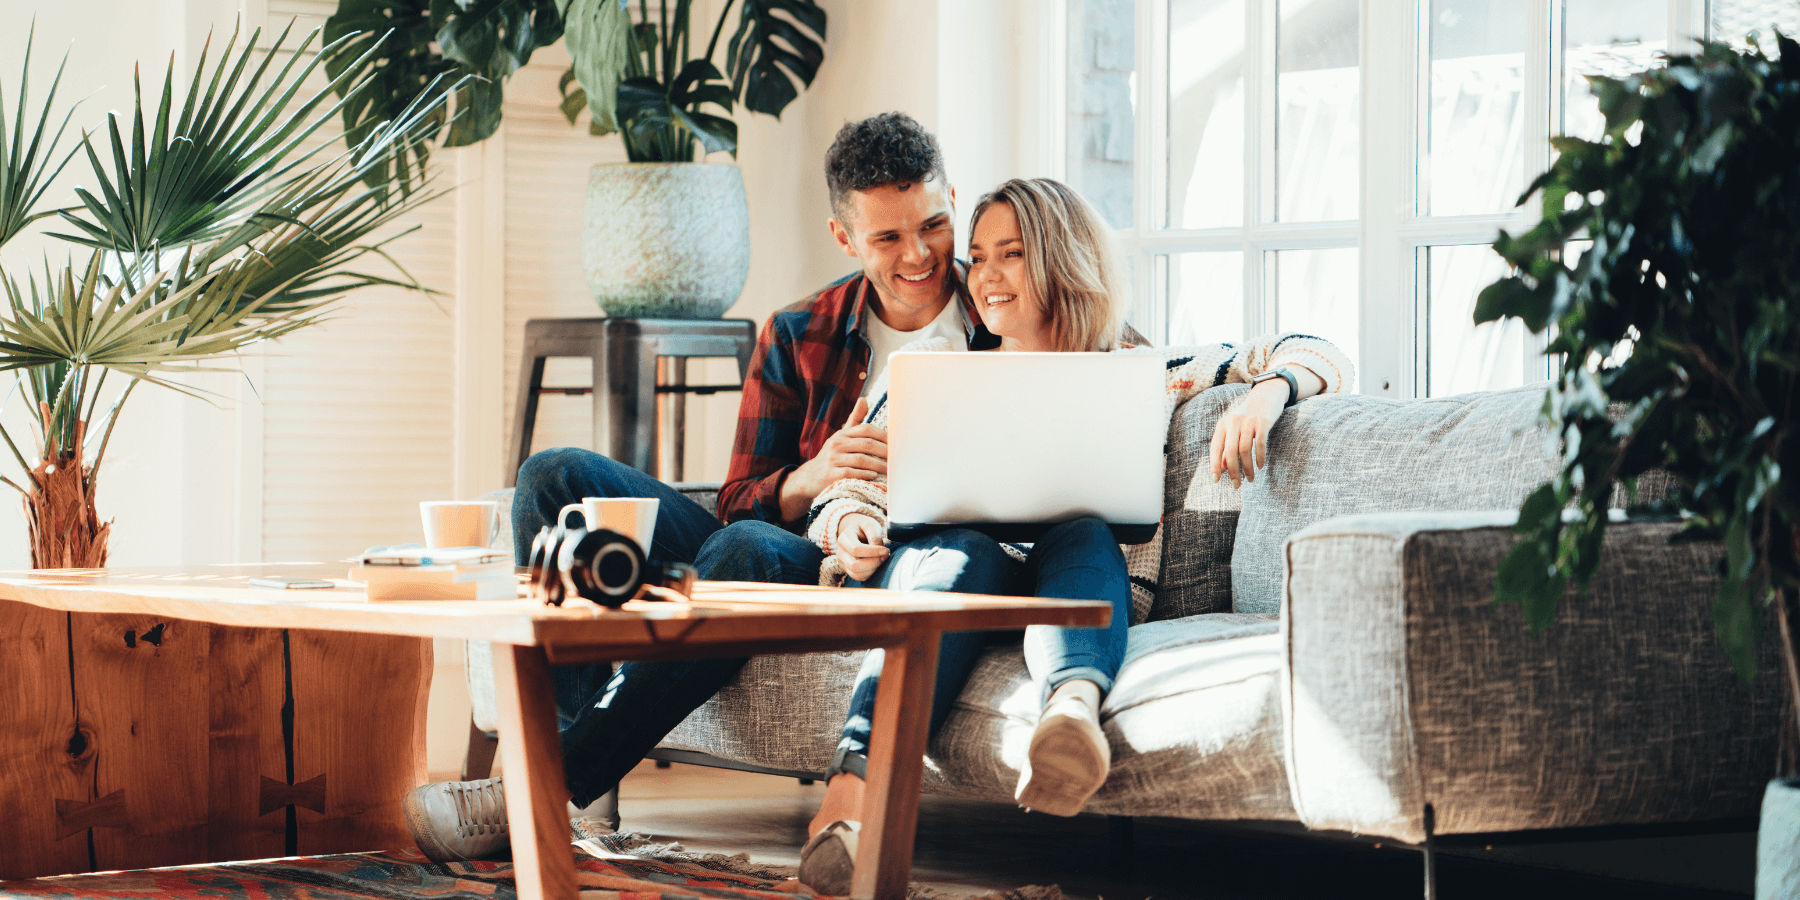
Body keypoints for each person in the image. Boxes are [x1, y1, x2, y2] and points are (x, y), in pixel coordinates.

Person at [400, 112, 1024, 864]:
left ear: (952, 201)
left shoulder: (1006, 308)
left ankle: (550, 785)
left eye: (932, 225)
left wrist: (1211, 383)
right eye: (887, 239)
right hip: (787, 537)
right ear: (845, 238)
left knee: (744, 545)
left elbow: (1121, 346)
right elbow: (737, 495)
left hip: (878, 563)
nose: (919, 254)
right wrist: (814, 474)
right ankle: (582, 778)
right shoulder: (798, 331)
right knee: (554, 478)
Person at [791, 178, 1354, 893]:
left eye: (1011, 254)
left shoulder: (1143, 373)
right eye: (979, 257)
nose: (986, 277)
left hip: (1076, 583)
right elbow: (847, 486)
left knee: (1085, 530)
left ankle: (1070, 716)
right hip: (955, 577)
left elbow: (1318, 350)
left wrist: (1269, 392)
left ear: (1060, 259)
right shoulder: (934, 375)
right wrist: (852, 525)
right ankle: (849, 801)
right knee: (962, 549)